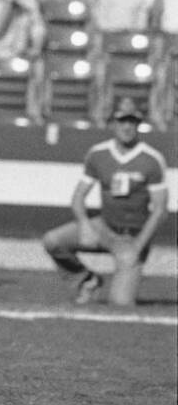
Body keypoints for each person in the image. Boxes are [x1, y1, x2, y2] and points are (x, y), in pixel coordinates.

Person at [42, 97, 169, 306]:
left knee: (120, 304)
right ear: (113, 123)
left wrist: (137, 246)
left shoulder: (152, 159)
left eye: (132, 121)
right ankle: (86, 279)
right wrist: (84, 225)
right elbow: (78, 197)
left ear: (139, 125)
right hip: (105, 226)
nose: (127, 127)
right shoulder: (98, 154)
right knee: (53, 241)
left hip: (132, 235)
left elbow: (160, 210)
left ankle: (126, 274)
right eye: (122, 121)